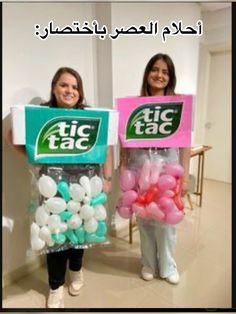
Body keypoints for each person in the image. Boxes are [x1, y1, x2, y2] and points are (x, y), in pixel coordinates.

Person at [7, 67, 113, 308]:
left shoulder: (89, 115)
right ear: (54, 88)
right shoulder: (43, 115)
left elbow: (107, 145)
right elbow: (13, 135)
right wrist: (33, 156)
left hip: (85, 187)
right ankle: (55, 286)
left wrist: (107, 178)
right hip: (52, 188)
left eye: (75, 87)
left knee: (80, 233)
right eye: (64, 85)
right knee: (55, 238)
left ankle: (76, 270)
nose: (70, 90)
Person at [120, 53, 190, 285]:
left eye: (165, 71)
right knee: (145, 220)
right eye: (155, 69)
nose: (159, 75)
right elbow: (124, 142)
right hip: (139, 169)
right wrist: (123, 169)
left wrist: (185, 176)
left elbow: (185, 144)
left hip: (168, 171)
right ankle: (148, 263)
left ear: (170, 77)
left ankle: (168, 266)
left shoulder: (177, 105)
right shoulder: (134, 105)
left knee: (166, 222)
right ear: (148, 73)